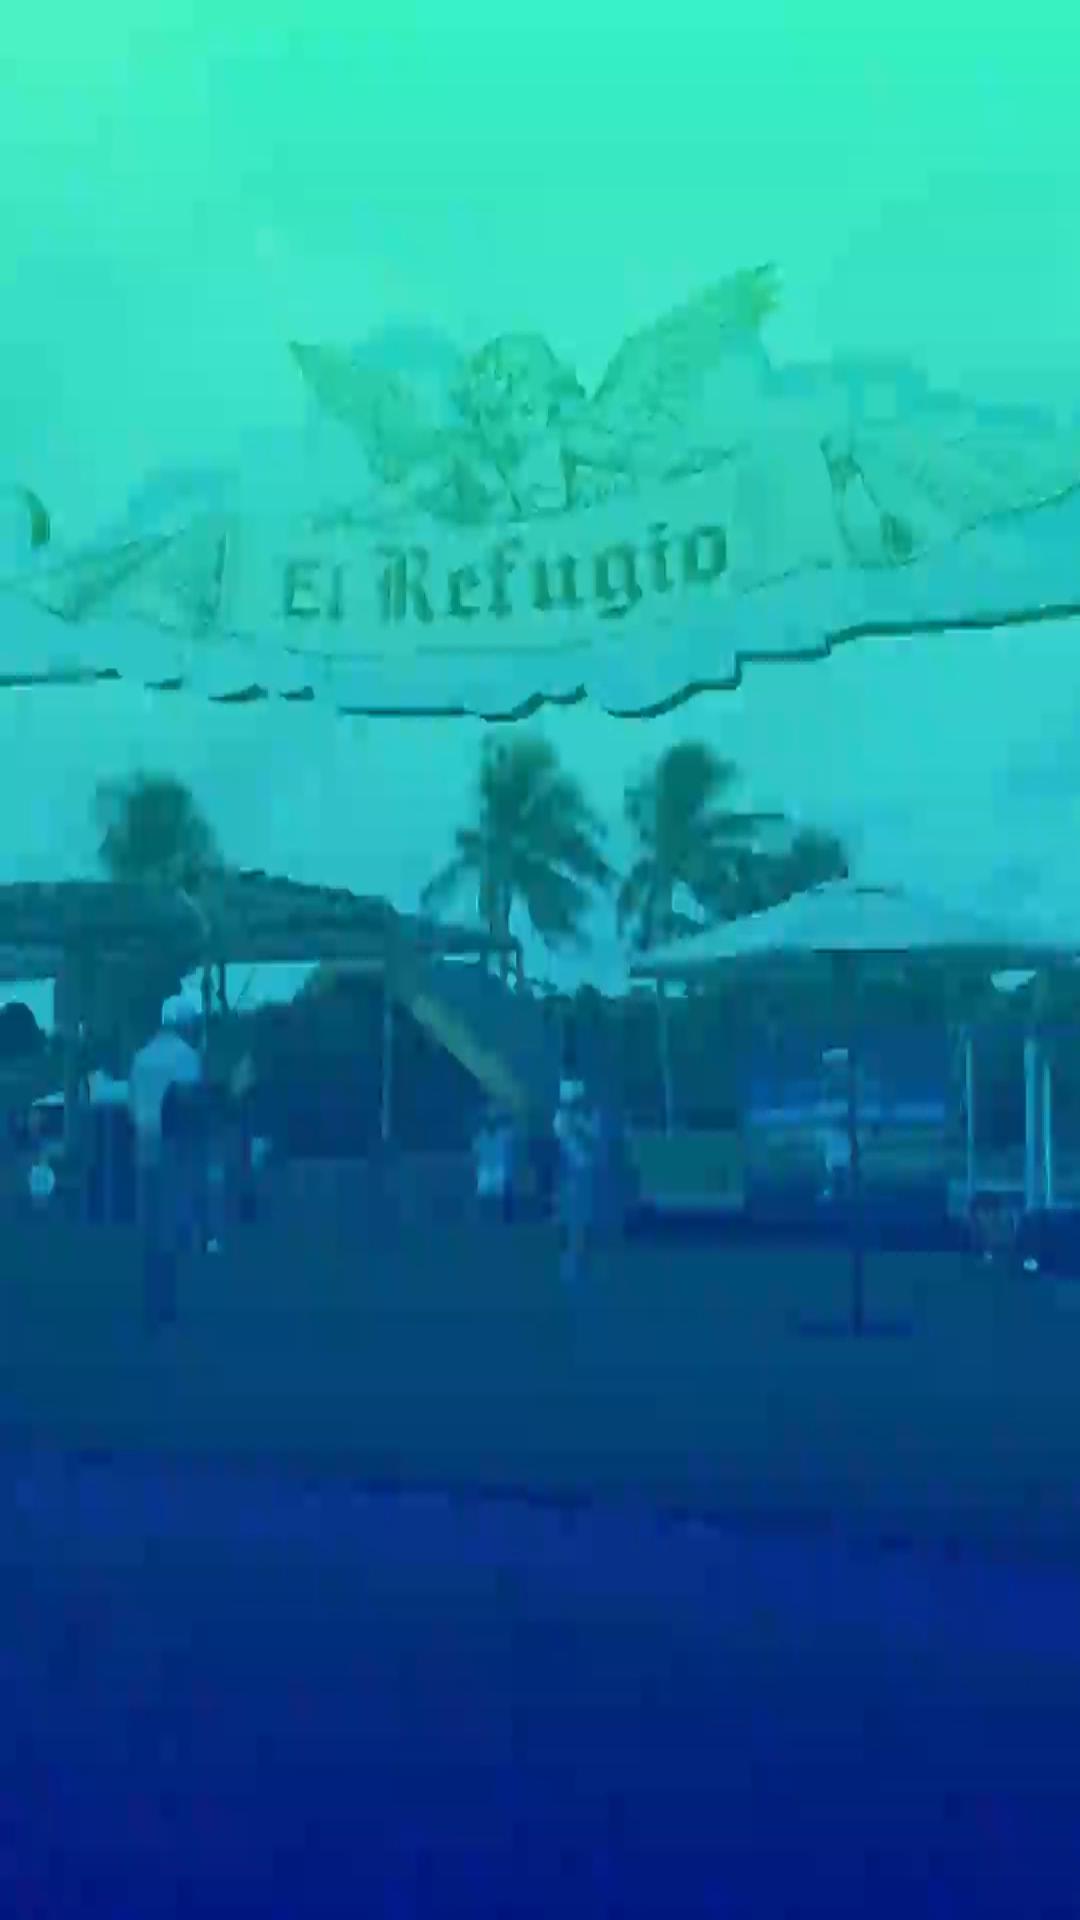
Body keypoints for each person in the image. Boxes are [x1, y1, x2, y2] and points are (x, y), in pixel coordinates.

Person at [128, 994, 204, 1328]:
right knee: (171, 1220)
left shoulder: (141, 1056)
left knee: (150, 1222)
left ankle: (150, 1296)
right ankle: (167, 1300)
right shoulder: (187, 1057)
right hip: (173, 1144)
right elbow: (189, 1106)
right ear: (185, 1025)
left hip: (143, 1142)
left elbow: (132, 1105)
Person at [553, 1077, 601, 1289]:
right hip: (571, 1175)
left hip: (583, 1174)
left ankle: (580, 1263)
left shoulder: (586, 1119)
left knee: (582, 1220)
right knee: (572, 1220)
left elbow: (592, 1140)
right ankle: (572, 1264)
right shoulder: (563, 1119)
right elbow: (564, 1138)